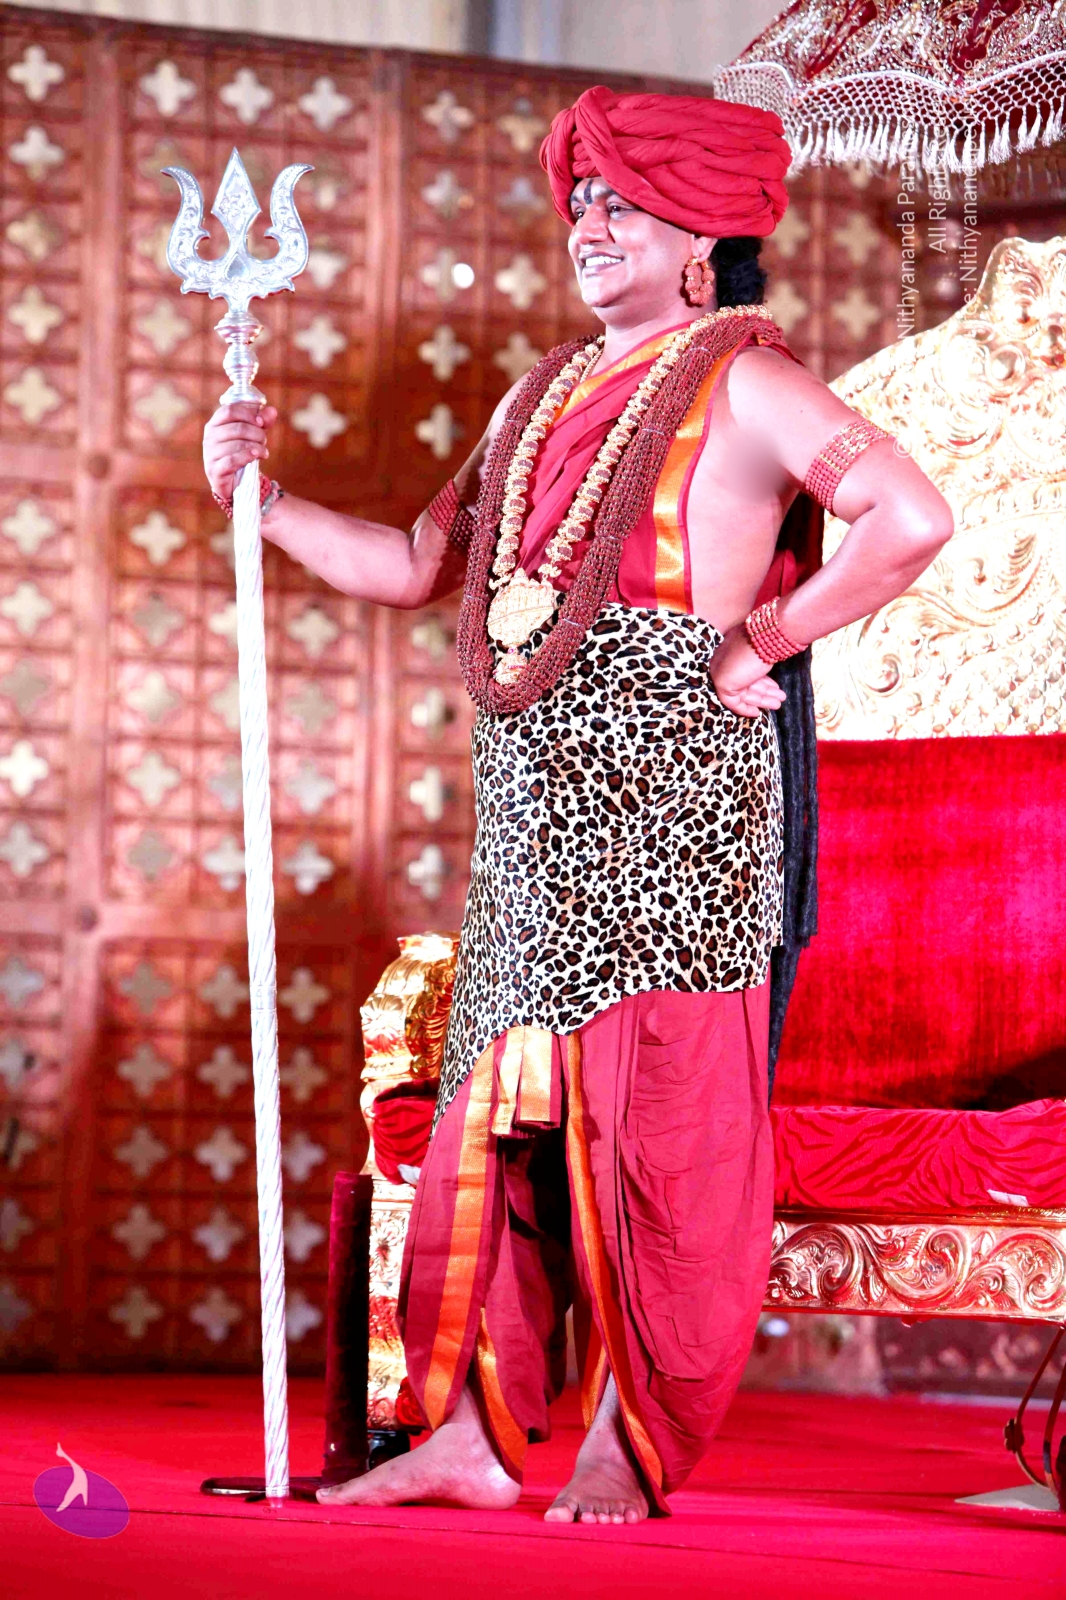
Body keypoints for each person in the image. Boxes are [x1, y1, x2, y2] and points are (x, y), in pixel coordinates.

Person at [202, 86, 952, 1524]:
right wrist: (265, 502)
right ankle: (470, 1439)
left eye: (625, 205)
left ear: (702, 239)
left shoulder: (746, 379)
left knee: (649, 1121)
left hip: (677, 804)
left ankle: (625, 1429)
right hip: (533, 814)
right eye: (581, 205)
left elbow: (911, 518)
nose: (591, 228)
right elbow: (416, 565)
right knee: (497, 1127)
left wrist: (768, 640)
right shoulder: (538, 395)